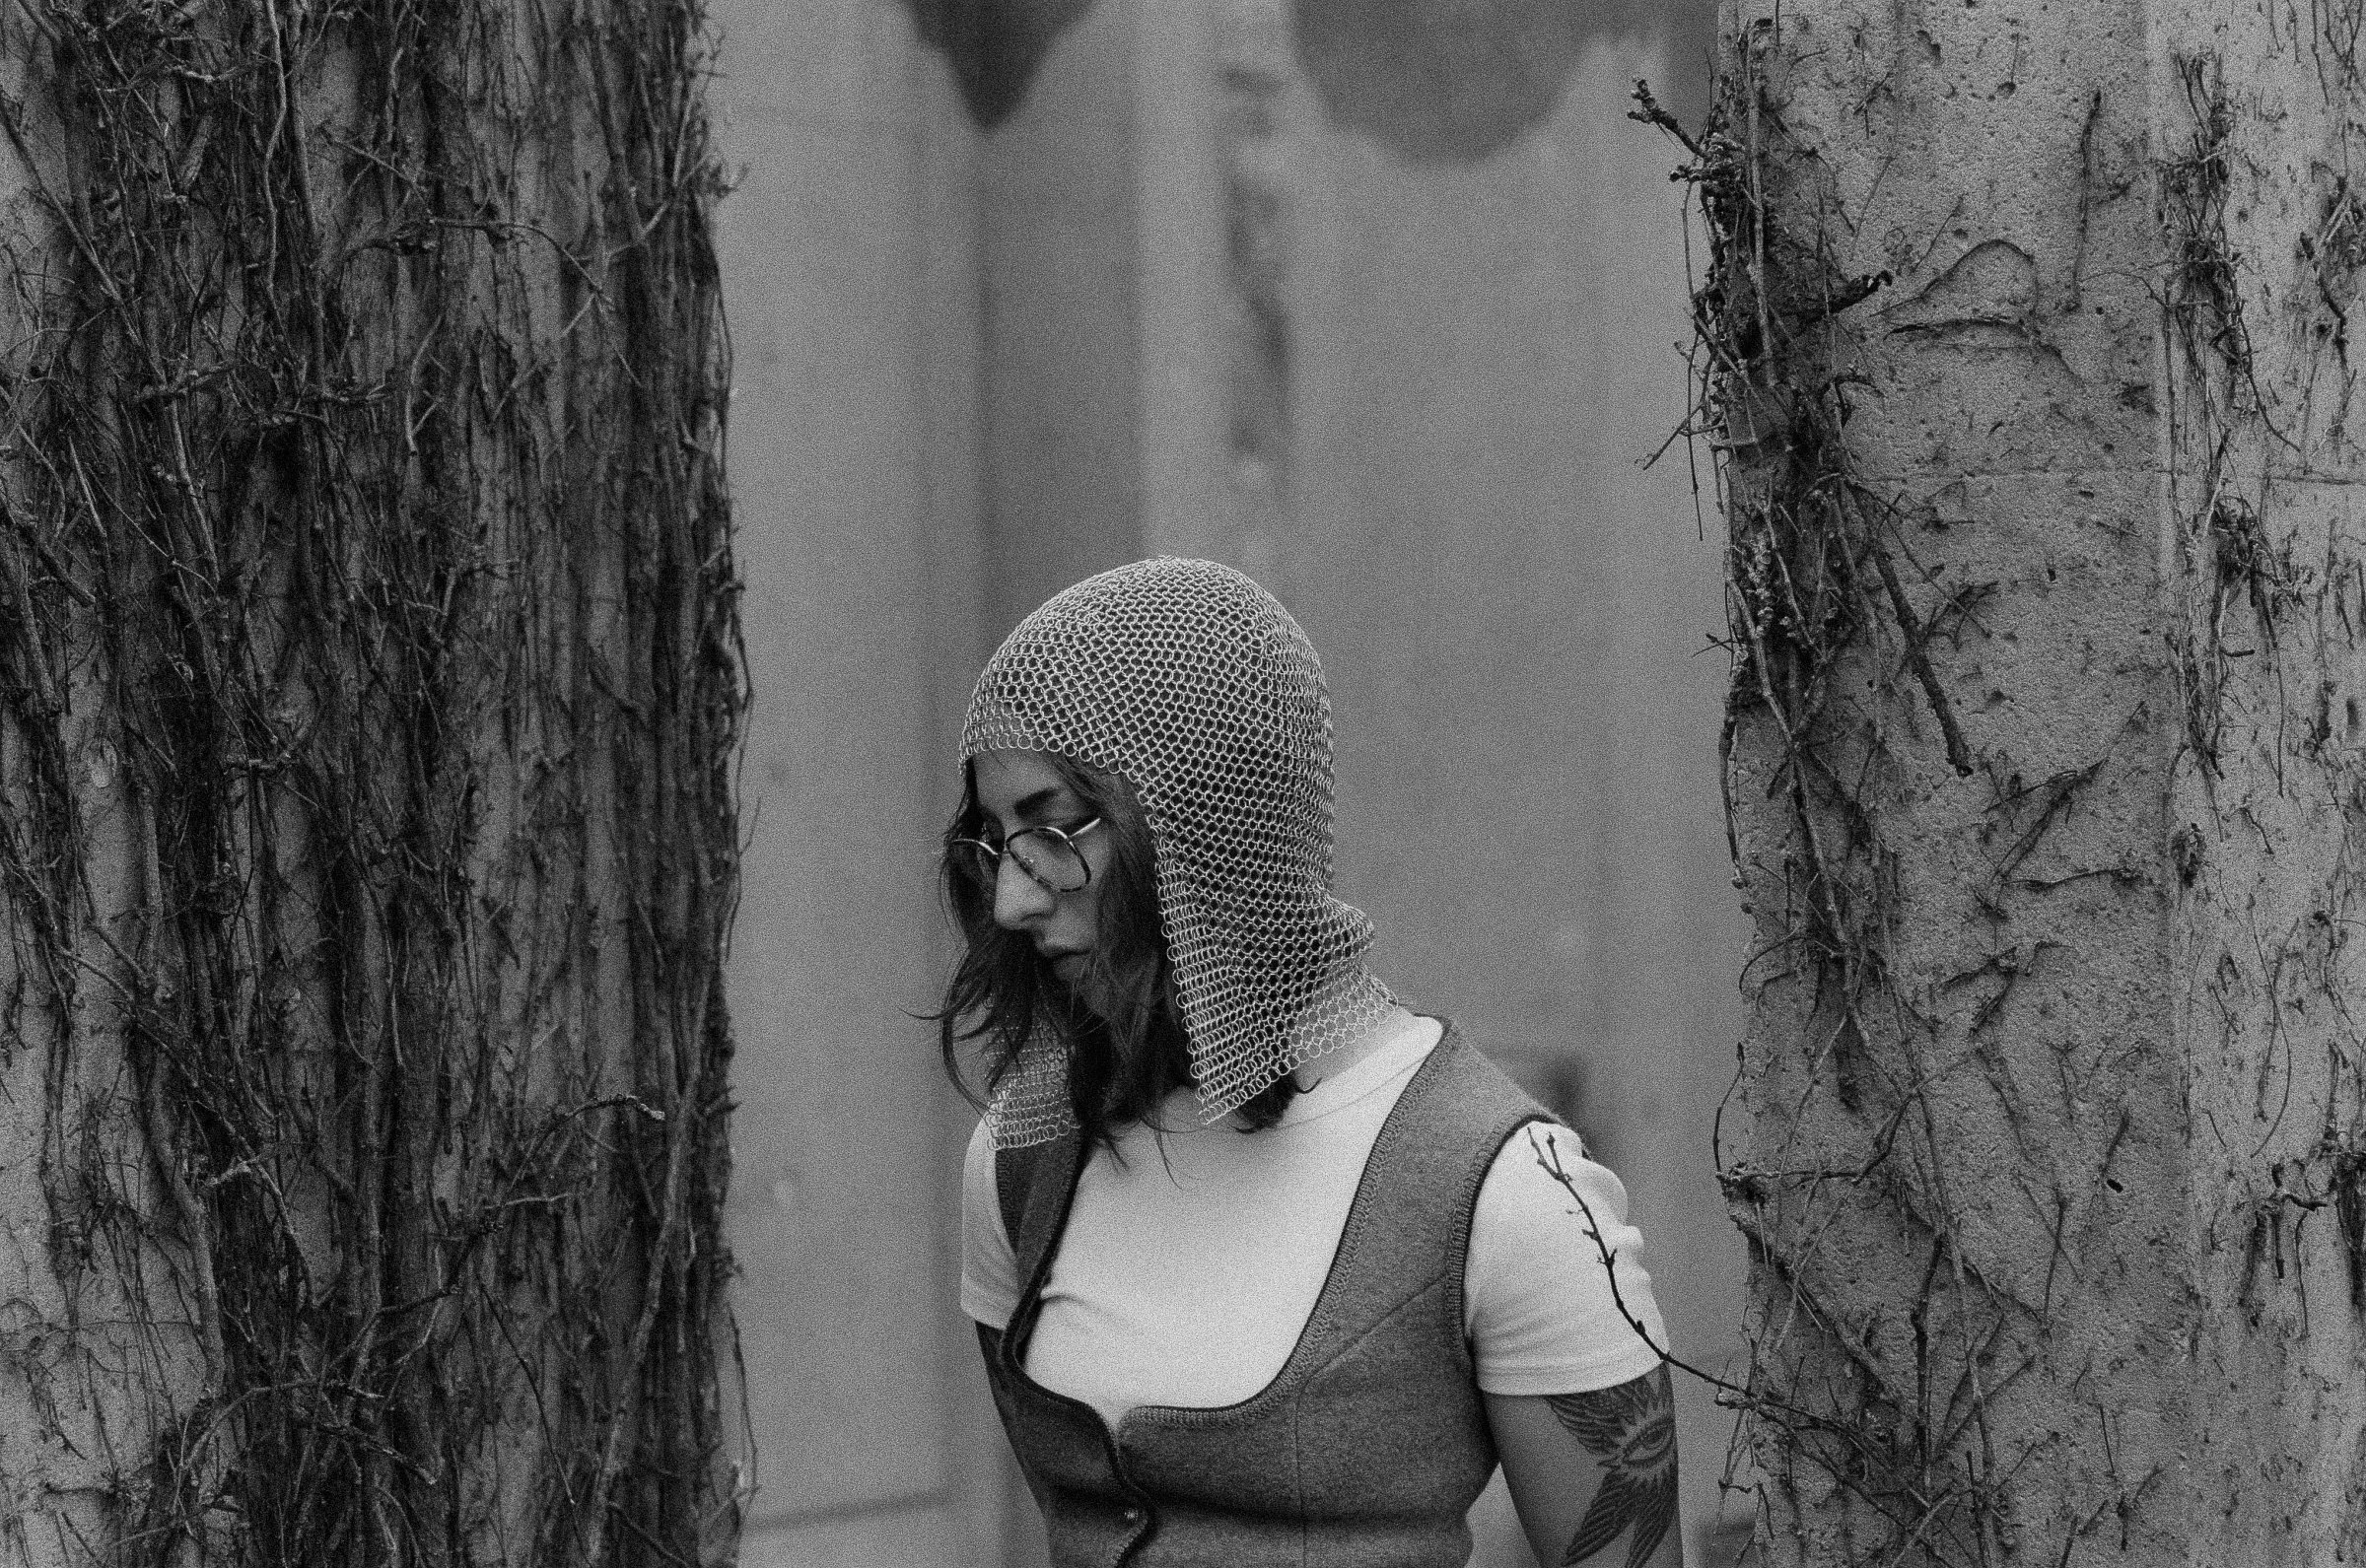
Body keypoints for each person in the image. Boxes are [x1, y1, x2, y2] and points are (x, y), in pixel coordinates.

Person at [939, 557, 1682, 1568]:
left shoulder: (1513, 1192)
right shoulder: (1020, 1154)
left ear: (1205, 818)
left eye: (1054, 826)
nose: (1013, 900)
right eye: (996, 841)